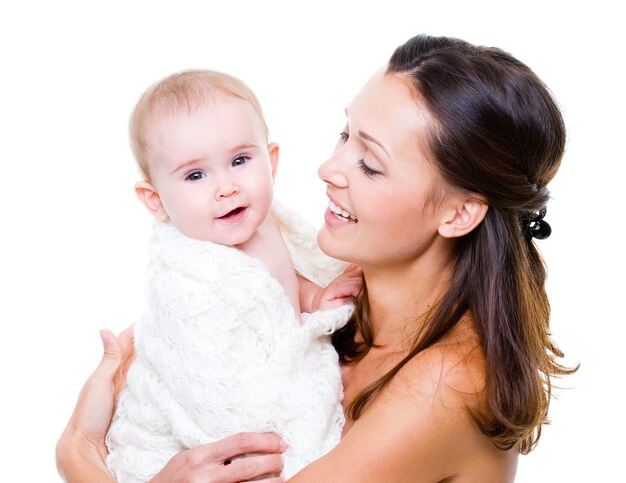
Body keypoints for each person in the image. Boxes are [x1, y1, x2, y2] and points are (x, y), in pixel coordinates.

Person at [57, 34, 576, 482]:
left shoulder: (444, 386)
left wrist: (77, 449)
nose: (329, 168)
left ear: (460, 214)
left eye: (370, 164)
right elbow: (160, 359)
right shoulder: (336, 290)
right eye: (344, 133)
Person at [98, 70, 362, 482]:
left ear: (271, 161)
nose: (226, 187)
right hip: (205, 424)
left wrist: (314, 299)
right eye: (195, 175)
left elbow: (283, 282)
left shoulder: (260, 218)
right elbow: (211, 387)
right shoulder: (190, 281)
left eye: (240, 161)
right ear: (156, 201)